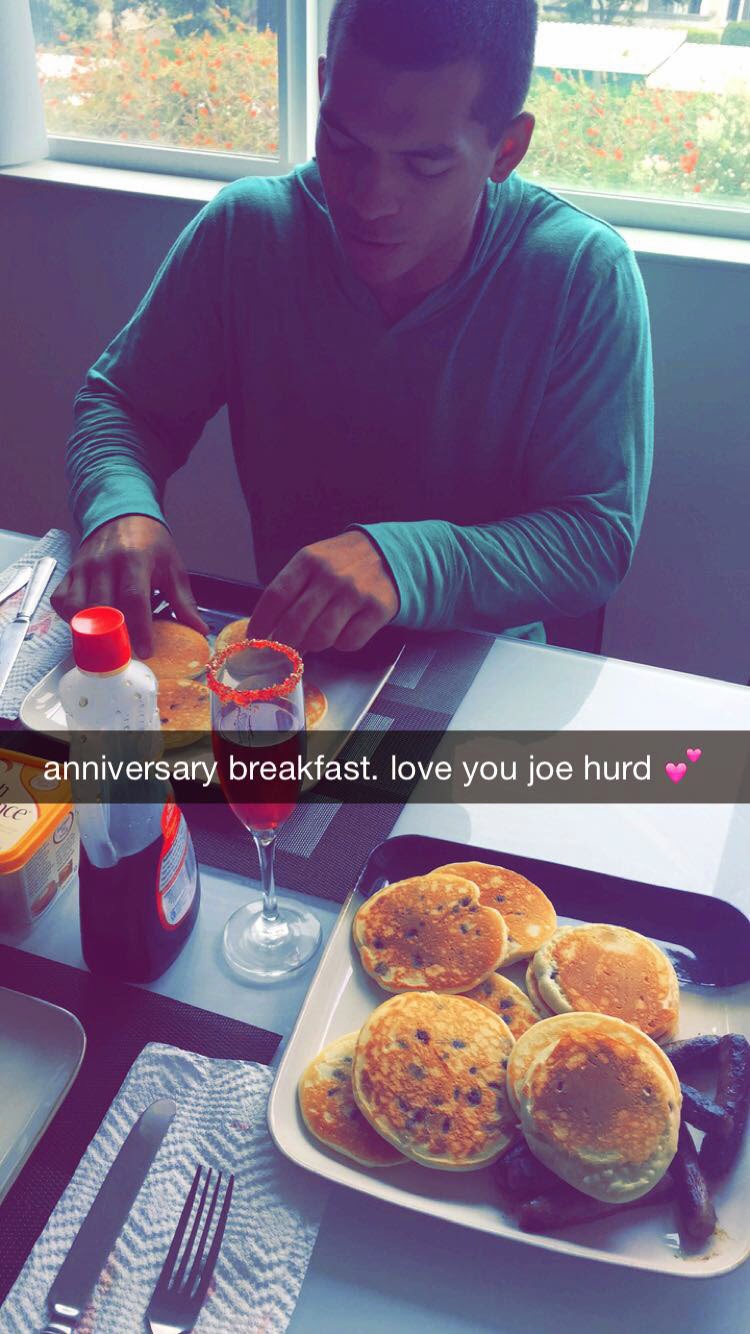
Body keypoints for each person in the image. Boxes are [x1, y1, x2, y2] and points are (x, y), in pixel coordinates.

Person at [52, 0, 653, 659]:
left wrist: (403, 561)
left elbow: (594, 537)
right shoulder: (249, 231)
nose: (369, 199)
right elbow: (125, 405)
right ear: (322, 87)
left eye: (424, 165)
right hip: (293, 661)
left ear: (506, 149)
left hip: (485, 670)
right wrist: (121, 509)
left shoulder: (580, 273)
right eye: (342, 143)